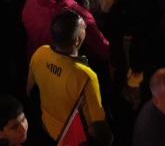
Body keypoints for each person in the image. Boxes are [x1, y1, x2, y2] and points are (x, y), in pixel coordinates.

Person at [27, 9, 108, 142]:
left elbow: (30, 89)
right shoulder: (85, 75)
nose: (86, 28)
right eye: (84, 28)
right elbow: (96, 124)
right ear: (76, 41)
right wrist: (108, 138)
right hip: (71, 137)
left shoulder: (40, 53)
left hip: (45, 127)